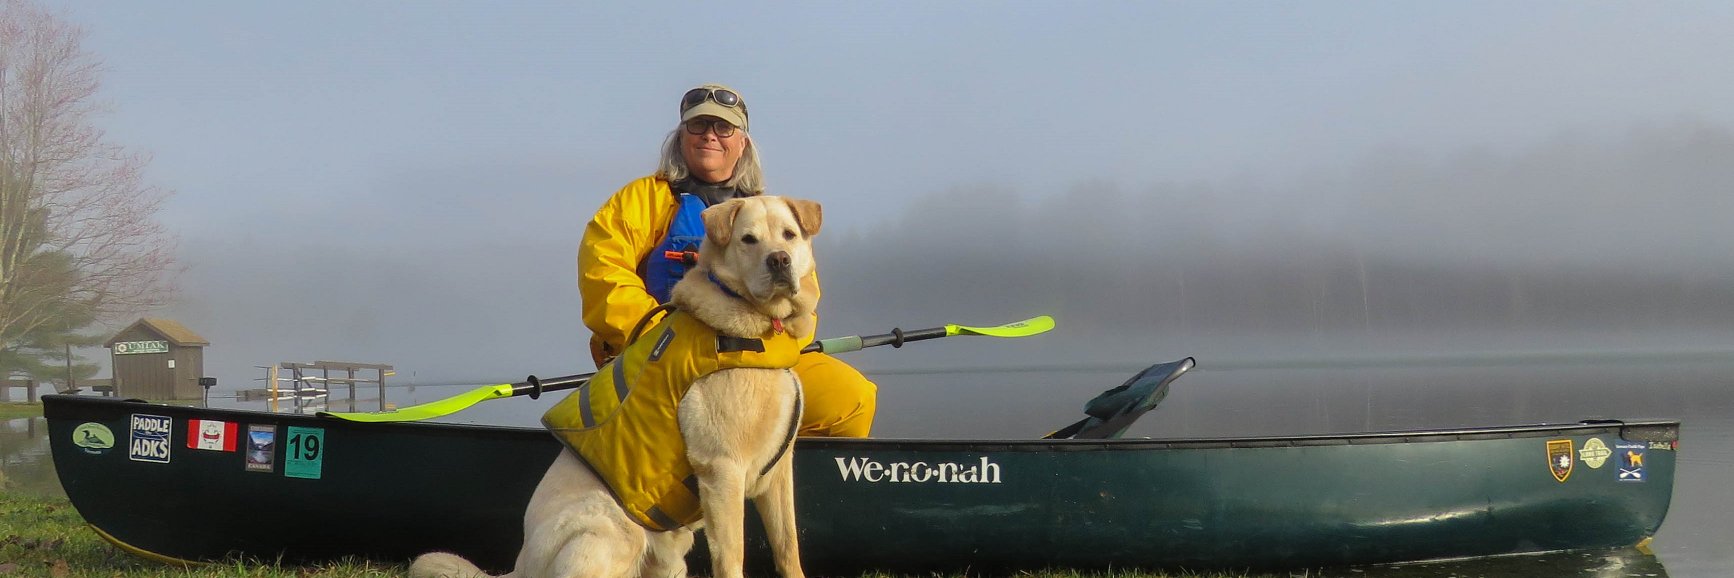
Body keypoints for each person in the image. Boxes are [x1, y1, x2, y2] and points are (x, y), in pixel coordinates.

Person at [578, 83, 876, 438]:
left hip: (761, 357)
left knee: (852, 399)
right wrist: (657, 333)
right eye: (698, 126)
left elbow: (803, 294)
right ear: (681, 137)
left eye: (723, 128)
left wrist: (785, 339)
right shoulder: (643, 199)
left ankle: (769, 477)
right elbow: (602, 272)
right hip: (666, 359)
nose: (710, 136)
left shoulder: (769, 212)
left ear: (742, 143)